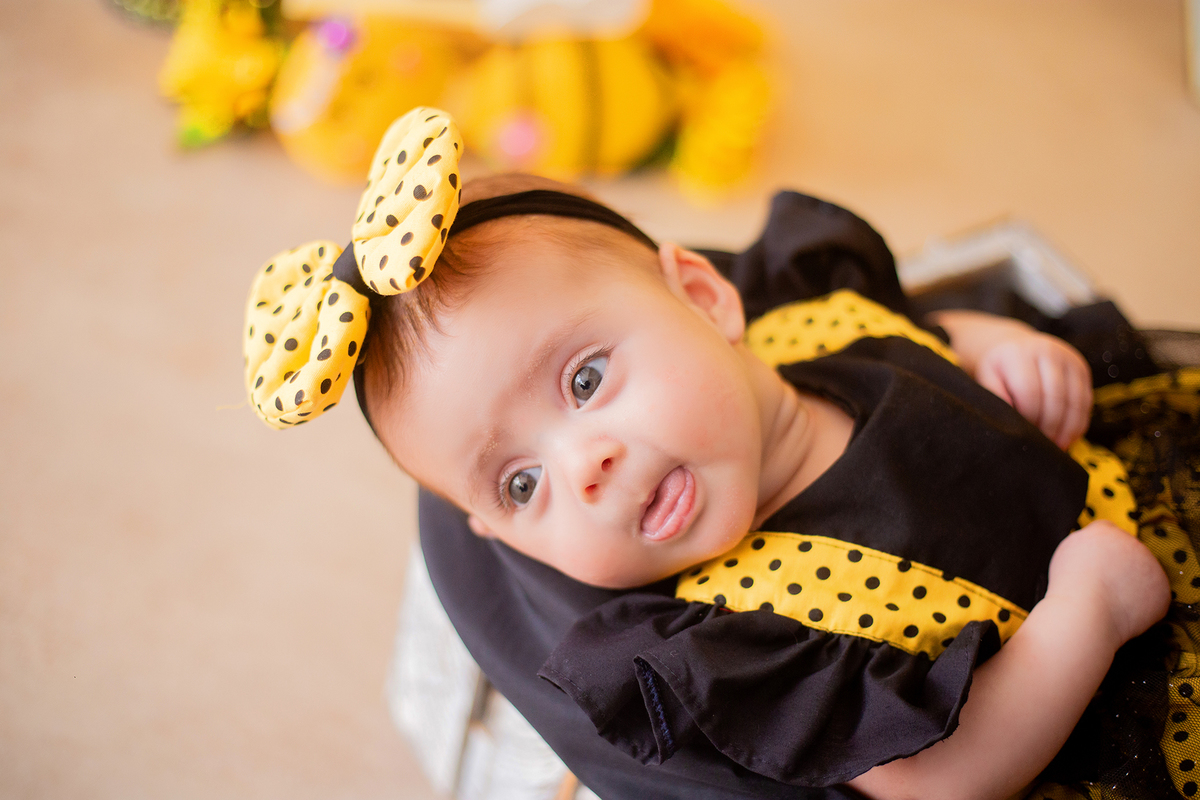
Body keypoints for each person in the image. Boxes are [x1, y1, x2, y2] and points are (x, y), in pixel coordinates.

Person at [243, 109, 1197, 799]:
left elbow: (912, 332)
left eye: (583, 382)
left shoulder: (805, 318)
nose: (585, 468)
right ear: (500, 537)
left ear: (704, 299)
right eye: (522, 483)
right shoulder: (733, 647)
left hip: (1131, 500)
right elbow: (940, 778)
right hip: (1100, 702)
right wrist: (1090, 612)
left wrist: (995, 348)